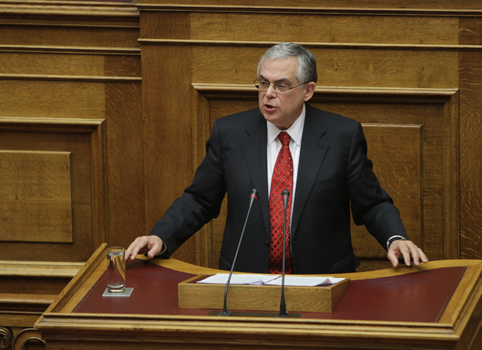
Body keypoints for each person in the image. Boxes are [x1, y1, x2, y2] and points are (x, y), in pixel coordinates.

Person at [126, 42, 428, 273]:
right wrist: (161, 237)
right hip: (244, 280)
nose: (268, 93)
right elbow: (200, 200)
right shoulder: (229, 133)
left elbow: (372, 203)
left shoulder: (341, 136)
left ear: (308, 90)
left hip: (323, 281)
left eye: (281, 85)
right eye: (263, 83)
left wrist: (394, 238)